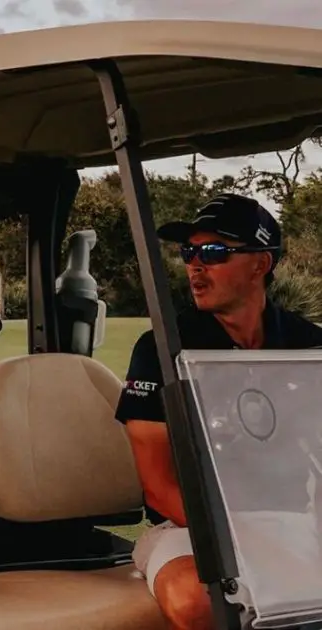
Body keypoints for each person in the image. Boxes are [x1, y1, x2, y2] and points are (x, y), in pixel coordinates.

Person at [115, 193, 322, 629]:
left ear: (260, 265)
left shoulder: (306, 345)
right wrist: (238, 543)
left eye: (212, 253)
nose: (194, 265)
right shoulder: (162, 345)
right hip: (189, 530)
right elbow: (158, 485)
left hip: (287, 520)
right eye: (189, 252)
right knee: (196, 601)